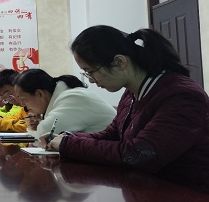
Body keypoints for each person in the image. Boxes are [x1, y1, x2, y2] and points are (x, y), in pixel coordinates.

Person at [44, 25, 209, 190]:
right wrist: (69, 137)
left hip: (187, 196)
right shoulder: (131, 94)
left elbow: (139, 154)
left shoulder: (181, 95)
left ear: (119, 62)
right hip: (147, 191)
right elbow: (112, 135)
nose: (91, 80)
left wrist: (68, 145)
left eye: (90, 71)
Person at [15, 68, 115, 138]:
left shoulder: (71, 97)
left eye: (24, 100)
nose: (23, 105)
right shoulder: (65, 95)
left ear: (40, 94)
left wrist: (35, 129)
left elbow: (44, 135)